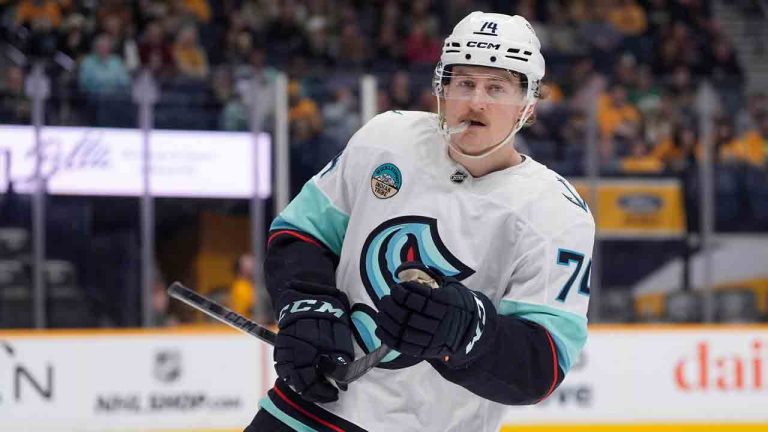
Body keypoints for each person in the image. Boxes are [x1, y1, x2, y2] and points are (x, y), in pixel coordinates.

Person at [245, 11, 595, 432]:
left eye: (496, 87)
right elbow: (302, 233)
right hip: (304, 413)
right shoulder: (387, 139)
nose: (476, 101)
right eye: (464, 83)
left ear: (529, 104)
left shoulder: (555, 213)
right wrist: (307, 304)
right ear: (442, 88)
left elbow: (543, 365)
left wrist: (470, 333)